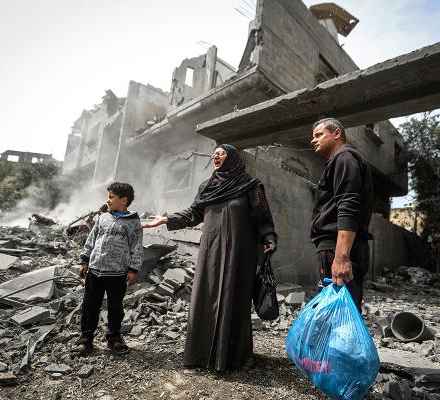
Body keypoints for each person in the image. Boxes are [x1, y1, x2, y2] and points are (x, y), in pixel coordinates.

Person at [142, 144, 277, 371]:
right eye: (213, 153)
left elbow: (263, 217)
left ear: (232, 158)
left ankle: (234, 358)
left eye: (220, 153)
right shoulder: (207, 186)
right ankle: (200, 355)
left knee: (235, 297)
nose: (215, 156)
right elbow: (194, 213)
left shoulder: (251, 186)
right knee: (206, 297)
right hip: (211, 251)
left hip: (240, 252)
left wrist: (269, 238)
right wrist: (166, 220)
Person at [310, 118, 374, 312]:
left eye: (319, 135)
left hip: (338, 249)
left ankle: (340, 344)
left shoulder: (344, 157)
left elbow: (348, 205)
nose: (313, 140)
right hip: (336, 248)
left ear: (337, 133)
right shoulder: (340, 160)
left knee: (339, 315)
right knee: (337, 312)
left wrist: (341, 257)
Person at [72, 182, 143, 356]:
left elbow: (137, 247)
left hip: (118, 274)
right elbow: (91, 240)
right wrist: (84, 260)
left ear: (124, 200)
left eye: (111, 197)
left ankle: (114, 337)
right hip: (95, 270)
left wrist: (133, 270)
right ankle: (86, 339)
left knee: (115, 307)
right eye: (108, 196)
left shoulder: (133, 223)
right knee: (90, 306)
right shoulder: (102, 218)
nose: (108, 200)